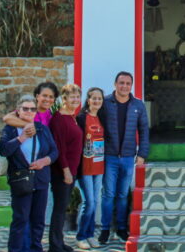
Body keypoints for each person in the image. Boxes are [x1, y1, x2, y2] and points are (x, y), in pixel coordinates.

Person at [0, 95, 58, 252]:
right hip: (21, 180)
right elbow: (4, 150)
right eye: (25, 108)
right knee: (21, 219)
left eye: (32, 109)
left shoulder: (41, 128)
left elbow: (54, 151)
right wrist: (22, 137)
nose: (29, 111)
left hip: (40, 180)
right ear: (18, 110)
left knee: (38, 220)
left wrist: (44, 161)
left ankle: (35, 248)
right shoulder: (11, 129)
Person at [97, 71, 150, 245]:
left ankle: (121, 228)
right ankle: (105, 229)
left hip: (128, 157)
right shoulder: (104, 103)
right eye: (121, 83)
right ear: (115, 84)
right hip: (109, 156)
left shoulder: (138, 105)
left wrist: (142, 154)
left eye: (128, 83)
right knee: (108, 194)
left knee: (122, 195)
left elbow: (144, 131)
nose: (124, 86)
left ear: (131, 86)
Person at [48, 84, 84, 252]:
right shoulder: (59, 119)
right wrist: (66, 171)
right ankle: (55, 245)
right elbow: (59, 148)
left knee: (62, 209)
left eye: (77, 97)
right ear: (64, 98)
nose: (75, 100)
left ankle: (59, 242)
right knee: (59, 209)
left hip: (72, 170)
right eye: (72, 97)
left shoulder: (72, 116)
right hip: (63, 172)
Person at [75, 88, 106, 249]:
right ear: (88, 100)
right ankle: (81, 236)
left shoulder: (101, 117)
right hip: (85, 167)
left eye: (99, 99)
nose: (97, 101)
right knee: (89, 202)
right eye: (94, 98)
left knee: (96, 201)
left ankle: (89, 234)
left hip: (99, 166)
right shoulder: (81, 118)